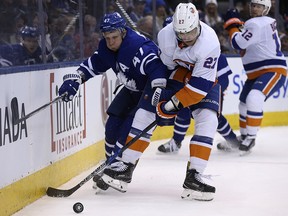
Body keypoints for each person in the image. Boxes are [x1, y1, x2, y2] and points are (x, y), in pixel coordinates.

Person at [101, 3, 221, 201]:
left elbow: (199, 87)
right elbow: (166, 68)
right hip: (176, 75)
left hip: (203, 81)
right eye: (181, 34)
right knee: (144, 113)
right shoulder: (166, 36)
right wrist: (160, 92)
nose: (187, 38)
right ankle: (126, 168)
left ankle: (194, 176)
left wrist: (171, 105)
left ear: (198, 25)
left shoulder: (210, 43)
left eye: (191, 32)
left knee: (208, 120)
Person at [57, 12, 168, 190]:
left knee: (127, 131)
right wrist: (76, 78)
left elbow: (156, 67)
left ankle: (120, 172)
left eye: (114, 37)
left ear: (123, 32)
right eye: (107, 38)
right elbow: (94, 63)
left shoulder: (138, 48)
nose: (110, 42)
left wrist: (159, 89)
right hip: (131, 91)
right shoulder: (108, 47)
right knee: (112, 126)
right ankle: (111, 166)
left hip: (147, 95)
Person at [220, 0, 287, 155]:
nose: (255, 8)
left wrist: (231, 25)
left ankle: (250, 137)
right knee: (243, 104)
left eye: (259, 6)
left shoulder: (256, 24)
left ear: (266, 9)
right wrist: (238, 27)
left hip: (271, 69)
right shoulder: (261, 23)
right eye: (253, 5)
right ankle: (244, 136)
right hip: (258, 72)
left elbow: (238, 43)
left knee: (254, 98)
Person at [157, 53, 239, 153]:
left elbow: (224, 80)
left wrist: (214, 93)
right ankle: (175, 143)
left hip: (211, 91)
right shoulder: (189, 54)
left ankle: (233, 141)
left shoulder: (217, 55)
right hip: (192, 90)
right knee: (182, 111)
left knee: (214, 117)